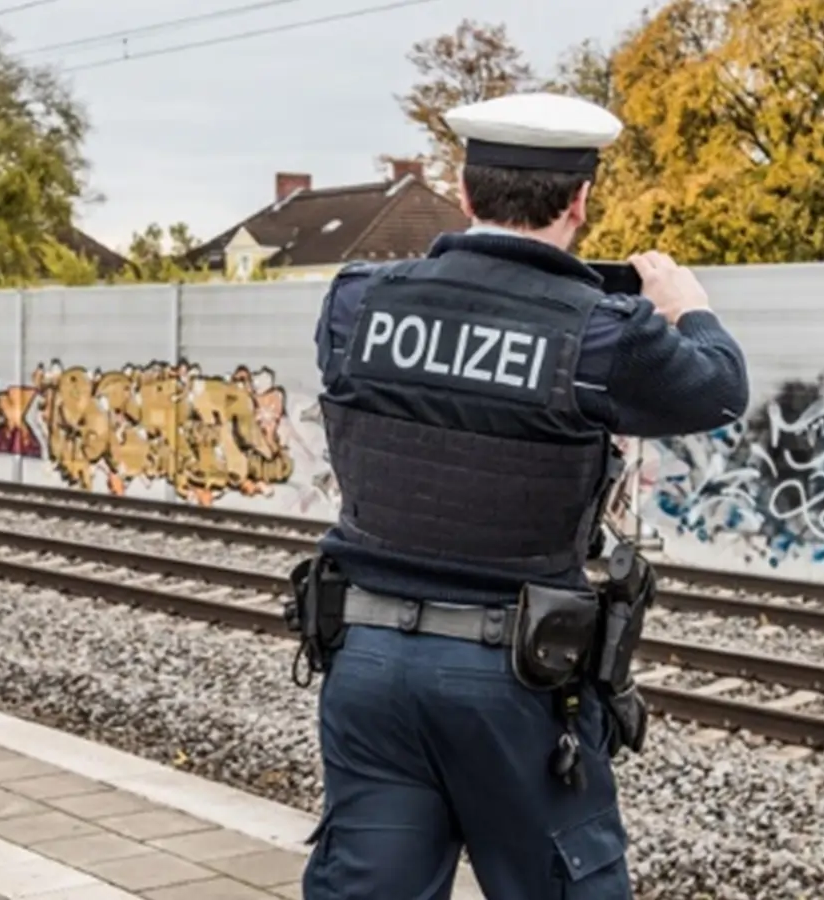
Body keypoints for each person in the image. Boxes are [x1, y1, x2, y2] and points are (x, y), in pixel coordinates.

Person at [290, 92, 749, 898]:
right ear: (579, 202)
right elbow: (717, 390)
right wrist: (689, 310)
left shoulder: (357, 301)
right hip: (510, 681)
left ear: (465, 193)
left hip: (367, 666)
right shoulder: (602, 333)